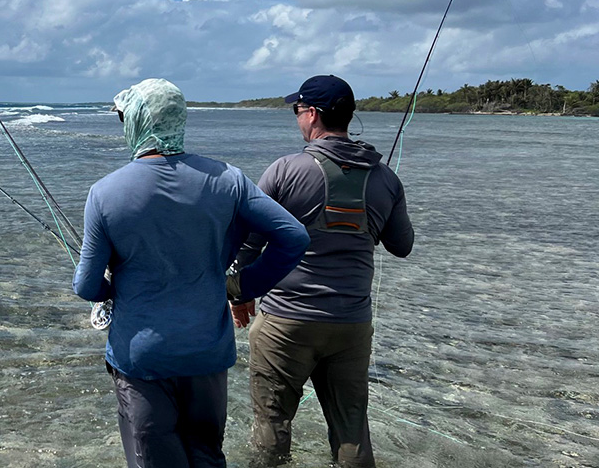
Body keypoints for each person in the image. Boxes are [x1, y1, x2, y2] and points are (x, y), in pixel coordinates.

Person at [73, 78, 309, 468]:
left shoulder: (105, 192)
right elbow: (293, 237)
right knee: (208, 455)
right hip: (206, 352)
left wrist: (109, 291)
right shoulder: (228, 179)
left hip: (141, 357)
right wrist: (242, 285)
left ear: (135, 122)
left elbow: (85, 285)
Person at [230, 75, 414, 467]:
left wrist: (239, 292)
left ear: (311, 114)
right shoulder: (386, 178)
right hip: (351, 324)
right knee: (351, 431)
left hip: (286, 322)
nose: (297, 117)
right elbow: (403, 246)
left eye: (297, 110)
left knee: (273, 424)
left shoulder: (284, 170)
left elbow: (248, 243)